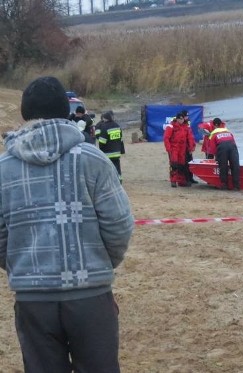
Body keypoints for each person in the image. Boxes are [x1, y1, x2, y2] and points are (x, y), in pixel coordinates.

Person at [0, 76, 134, 372]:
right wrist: (101, 262)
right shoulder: (94, 159)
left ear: (24, 114)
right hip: (90, 297)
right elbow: (119, 224)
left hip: (32, 301)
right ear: (67, 110)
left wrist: (22, 264)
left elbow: (0, 237)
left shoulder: (3, 169)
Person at [164, 112, 196, 187]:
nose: (181, 120)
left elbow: (190, 138)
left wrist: (191, 147)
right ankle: (173, 181)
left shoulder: (186, 127)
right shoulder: (171, 126)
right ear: (177, 119)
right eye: (180, 119)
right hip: (174, 148)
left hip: (183, 148)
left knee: (182, 164)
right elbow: (166, 138)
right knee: (174, 164)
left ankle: (181, 181)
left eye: (182, 119)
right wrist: (168, 149)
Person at [208, 117, 240, 190]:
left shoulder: (213, 134)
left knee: (223, 166)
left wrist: (214, 157)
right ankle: (236, 186)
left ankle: (224, 185)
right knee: (235, 166)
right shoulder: (228, 132)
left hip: (222, 147)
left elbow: (212, 148)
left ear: (215, 125)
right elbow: (234, 142)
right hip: (233, 147)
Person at [95, 110, 125, 183]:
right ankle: (119, 180)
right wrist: (121, 150)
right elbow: (120, 140)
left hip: (108, 153)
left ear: (105, 118)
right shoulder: (117, 126)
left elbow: (102, 142)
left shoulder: (104, 127)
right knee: (117, 167)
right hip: (117, 152)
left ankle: (109, 182)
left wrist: (101, 151)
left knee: (107, 168)